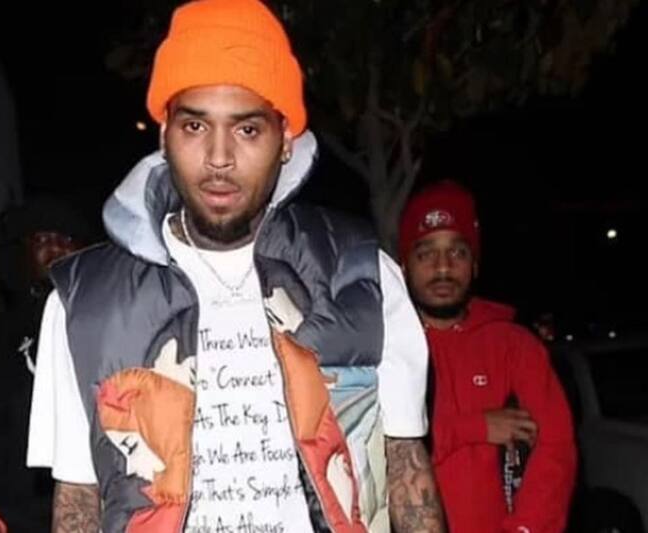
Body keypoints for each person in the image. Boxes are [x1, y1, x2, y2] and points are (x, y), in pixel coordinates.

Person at [27, 1, 444, 531]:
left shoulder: (363, 275)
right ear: (164, 134)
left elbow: (405, 466)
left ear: (285, 140)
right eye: (195, 125)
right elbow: (78, 500)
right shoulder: (84, 303)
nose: (218, 157)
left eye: (247, 130)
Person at [399, 180, 576, 533]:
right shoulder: (386, 346)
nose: (443, 267)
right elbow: (381, 454)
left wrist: (525, 529)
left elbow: (556, 448)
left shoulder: (513, 344)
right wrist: (475, 427)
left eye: (458, 252)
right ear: (404, 266)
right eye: (426, 254)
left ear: (475, 264)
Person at [0, 196, 94, 532]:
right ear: (22, 253)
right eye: (43, 239)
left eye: (67, 239)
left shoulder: (116, 325)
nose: (57, 248)